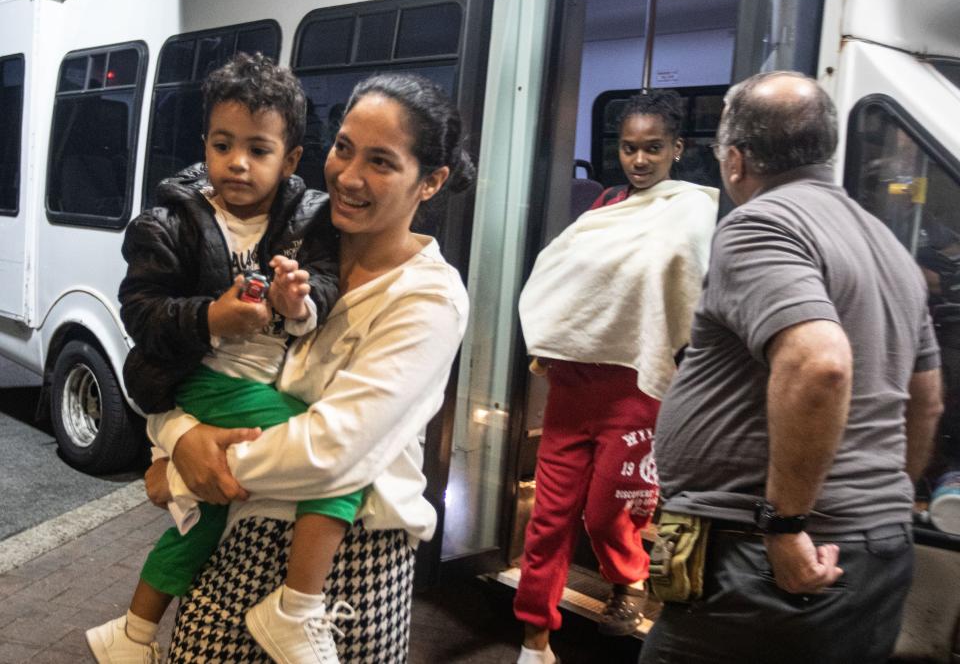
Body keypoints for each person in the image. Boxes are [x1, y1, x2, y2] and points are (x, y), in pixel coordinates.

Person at [140, 72, 473, 663]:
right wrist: (174, 433)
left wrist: (187, 471)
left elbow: (332, 450)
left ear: (432, 182)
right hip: (239, 535)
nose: (348, 176)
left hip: (347, 562)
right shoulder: (295, 246)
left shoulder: (427, 300)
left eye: (381, 162)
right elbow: (185, 357)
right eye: (343, 148)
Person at [640, 72, 944, 664]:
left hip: (775, 564)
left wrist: (785, 525)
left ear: (735, 159)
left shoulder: (762, 224)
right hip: (872, 546)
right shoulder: (887, 245)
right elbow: (926, 399)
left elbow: (819, 366)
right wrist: (878, 504)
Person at [85, 52, 366, 663]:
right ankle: (296, 610)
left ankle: (130, 635)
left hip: (264, 379)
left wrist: (299, 301)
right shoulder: (168, 222)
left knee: (203, 523)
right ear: (205, 146)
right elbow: (141, 312)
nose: (237, 162)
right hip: (204, 378)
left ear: (290, 159)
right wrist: (212, 317)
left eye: (259, 150)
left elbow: (324, 282)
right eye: (222, 144)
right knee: (340, 468)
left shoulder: (310, 218)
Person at [514, 90, 718, 664]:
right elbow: (561, 282)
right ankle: (534, 639)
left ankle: (626, 581)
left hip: (637, 390)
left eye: (653, 148)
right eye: (630, 148)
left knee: (608, 513)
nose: (640, 160)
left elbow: (687, 291)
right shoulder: (602, 208)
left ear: (677, 148)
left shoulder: (693, 210)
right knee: (549, 520)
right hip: (573, 388)